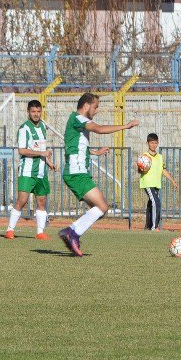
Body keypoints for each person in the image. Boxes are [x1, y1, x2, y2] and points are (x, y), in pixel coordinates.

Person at [59, 92, 139, 257]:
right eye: (95, 107)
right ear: (86, 106)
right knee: (102, 207)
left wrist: (94, 152)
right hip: (77, 173)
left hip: (76, 172)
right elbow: (99, 129)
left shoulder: (75, 121)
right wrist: (125, 126)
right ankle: (72, 232)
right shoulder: (79, 118)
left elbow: (75, 144)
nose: (96, 111)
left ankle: (73, 232)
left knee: (100, 209)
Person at [5, 100, 56, 240]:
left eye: (38, 111)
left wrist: (49, 162)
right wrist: (42, 154)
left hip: (41, 171)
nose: (36, 114)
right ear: (28, 112)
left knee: (41, 201)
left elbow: (42, 149)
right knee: (22, 200)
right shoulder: (24, 128)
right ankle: (10, 230)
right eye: (33, 111)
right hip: (27, 171)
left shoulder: (43, 128)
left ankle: (40, 232)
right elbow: (22, 150)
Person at [139, 133, 179, 230]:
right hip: (148, 183)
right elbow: (139, 170)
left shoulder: (160, 157)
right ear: (147, 143)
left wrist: (172, 181)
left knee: (151, 204)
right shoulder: (144, 156)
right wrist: (142, 168)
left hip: (156, 184)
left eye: (156, 143)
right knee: (156, 202)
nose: (154, 145)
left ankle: (147, 227)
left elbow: (163, 170)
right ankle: (154, 227)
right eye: (152, 143)